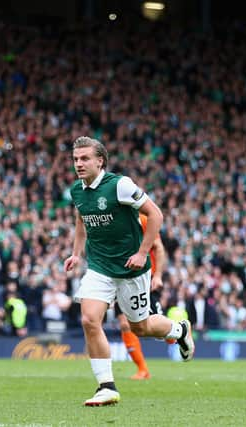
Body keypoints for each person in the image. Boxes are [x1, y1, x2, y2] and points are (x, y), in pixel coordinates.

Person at [64, 136, 195, 407]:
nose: (79, 163)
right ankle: (106, 386)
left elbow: (156, 214)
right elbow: (81, 220)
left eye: (85, 158)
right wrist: (76, 254)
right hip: (99, 266)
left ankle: (179, 330)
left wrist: (142, 252)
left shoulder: (120, 185)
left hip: (131, 268)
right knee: (89, 320)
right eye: (76, 158)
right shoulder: (77, 191)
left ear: (100, 161)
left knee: (141, 326)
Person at [114, 213, 167, 380]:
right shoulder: (113, 221)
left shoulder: (143, 220)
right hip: (123, 278)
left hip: (146, 279)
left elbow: (158, 247)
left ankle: (178, 331)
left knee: (155, 329)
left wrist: (157, 275)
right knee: (124, 323)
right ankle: (143, 369)